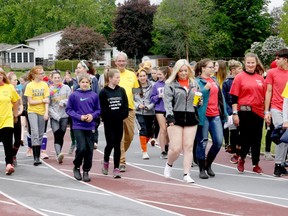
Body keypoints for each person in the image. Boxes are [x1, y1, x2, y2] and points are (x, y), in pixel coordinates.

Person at [163, 59, 199, 183]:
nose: (183, 73)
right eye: (181, 71)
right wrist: (169, 116)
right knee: (176, 148)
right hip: (175, 117)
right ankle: (169, 163)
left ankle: (186, 174)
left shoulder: (194, 83)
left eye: (185, 70)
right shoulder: (170, 84)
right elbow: (167, 102)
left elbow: (197, 102)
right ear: (176, 72)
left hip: (191, 116)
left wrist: (199, 102)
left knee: (188, 147)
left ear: (189, 70)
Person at [230, 52, 265, 174]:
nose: (250, 65)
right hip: (244, 111)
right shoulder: (239, 77)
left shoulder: (261, 78)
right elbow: (234, 98)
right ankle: (242, 158)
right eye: (248, 62)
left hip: (259, 112)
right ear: (245, 63)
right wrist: (235, 113)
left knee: (257, 138)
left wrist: (266, 112)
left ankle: (256, 163)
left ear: (256, 64)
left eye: (252, 62)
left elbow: (264, 97)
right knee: (246, 137)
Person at [194, 59, 227, 179]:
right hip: (204, 116)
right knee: (202, 142)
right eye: (210, 67)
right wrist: (204, 90)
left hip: (215, 115)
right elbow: (195, 101)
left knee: (218, 142)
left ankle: (208, 164)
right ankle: (202, 168)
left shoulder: (214, 80)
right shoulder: (197, 81)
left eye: (213, 67)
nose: (212, 69)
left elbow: (220, 98)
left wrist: (225, 113)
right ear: (202, 68)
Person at [66, 74, 100, 182]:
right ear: (79, 83)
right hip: (78, 125)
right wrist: (79, 117)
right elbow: (69, 109)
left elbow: (98, 110)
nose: (85, 84)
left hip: (90, 126)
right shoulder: (74, 95)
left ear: (90, 83)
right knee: (82, 148)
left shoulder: (94, 95)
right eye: (82, 82)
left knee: (89, 150)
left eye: (87, 82)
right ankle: (76, 166)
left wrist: (92, 116)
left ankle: (86, 170)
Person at [99, 69, 128, 178]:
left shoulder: (121, 90)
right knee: (110, 143)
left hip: (119, 121)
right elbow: (103, 109)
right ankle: (106, 161)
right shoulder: (103, 92)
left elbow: (125, 106)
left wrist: (121, 116)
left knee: (117, 145)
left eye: (119, 78)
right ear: (110, 79)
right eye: (116, 78)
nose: (118, 79)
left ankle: (116, 167)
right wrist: (109, 118)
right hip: (109, 123)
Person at [264, 48, 288, 177]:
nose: (275, 61)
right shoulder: (272, 72)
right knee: (282, 134)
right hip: (276, 108)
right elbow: (268, 91)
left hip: (287, 109)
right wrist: (267, 111)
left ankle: (282, 162)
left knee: (286, 138)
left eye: (278, 58)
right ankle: (278, 164)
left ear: (286, 59)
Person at [115, 52, 139, 172]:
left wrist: (138, 102)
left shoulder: (132, 75)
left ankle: (119, 153)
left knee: (130, 136)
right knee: (120, 136)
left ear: (126, 62)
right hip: (117, 110)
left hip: (130, 109)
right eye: (119, 61)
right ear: (115, 62)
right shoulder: (112, 74)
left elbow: (136, 91)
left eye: (123, 61)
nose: (121, 63)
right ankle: (121, 161)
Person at [24, 66, 50, 166]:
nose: (43, 75)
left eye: (43, 73)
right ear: (35, 75)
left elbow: (47, 100)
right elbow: (30, 101)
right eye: (41, 73)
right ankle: (36, 157)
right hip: (32, 111)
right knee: (34, 131)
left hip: (42, 111)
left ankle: (38, 155)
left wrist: (46, 112)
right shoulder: (30, 86)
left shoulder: (45, 85)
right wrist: (41, 101)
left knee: (40, 133)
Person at [222, 60, 243, 163]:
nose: (241, 70)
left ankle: (240, 149)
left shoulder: (243, 80)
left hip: (242, 109)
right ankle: (233, 147)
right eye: (239, 69)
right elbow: (224, 98)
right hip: (231, 111)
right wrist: (229, 111)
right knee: (233, 130)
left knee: (241, 131)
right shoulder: (227, 82)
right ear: (233, 70)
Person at [48, 71, 71, 164]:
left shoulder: (66, 88)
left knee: (61, 135)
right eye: (55, 78)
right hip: (55, 116)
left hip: (64, 116)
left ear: (61, 78)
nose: (57, 79)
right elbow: (48, 105)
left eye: (58, 77)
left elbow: (70, 99)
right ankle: (58, 154)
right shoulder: (49, 90)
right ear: (52, 79)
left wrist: (64, 102)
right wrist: (55, 115)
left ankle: (59, 153)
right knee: (56, 134)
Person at [0, 69, 20, 175]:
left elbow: (16, 100)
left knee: (8, 144)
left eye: (1, 74)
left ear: (3, 76)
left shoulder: (9, 88)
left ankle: (9, 164)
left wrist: (15, 113)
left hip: (7, 120)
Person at [134, 68, 155, 160]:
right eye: (140, 76)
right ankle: (144, 152)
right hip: (139, 112)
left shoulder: (152, 86)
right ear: (137, 77)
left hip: (150, 112)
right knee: (143, 130)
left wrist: (149, 106)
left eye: (144, 76)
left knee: (150, 132)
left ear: (147, 76)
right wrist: (138, 105)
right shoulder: (136, 87)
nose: (142, 78)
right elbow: (133, 99)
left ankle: (143, 145)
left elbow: (155, 99)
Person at [150, 66, 171, 159]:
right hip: (160, 109)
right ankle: (163, 150)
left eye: (160, 74)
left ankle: (167, 146)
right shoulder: (156, 85)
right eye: (157, 74)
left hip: (170, 109)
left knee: (169, 130)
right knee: (163, 129)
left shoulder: (171, 83)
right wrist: (159, 96)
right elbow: (152, 98)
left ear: (166, 74)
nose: (158, 76)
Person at [7, 72, 24, 166]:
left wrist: (19, 112)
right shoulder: (5, 90)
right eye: (14, 80)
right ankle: (9, 158)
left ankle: (13, 155)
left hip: (16, 117)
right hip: (7, 117)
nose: (16, 81)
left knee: (17, 140)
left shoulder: (18, 90)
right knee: (8, 140)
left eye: (16, 79)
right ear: (9, 81)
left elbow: (21, 103)